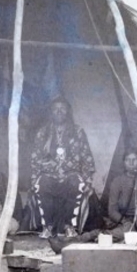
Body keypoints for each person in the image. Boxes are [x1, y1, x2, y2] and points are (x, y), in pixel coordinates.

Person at [29, 97, 96, 238]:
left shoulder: (78, 131)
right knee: (42, 184)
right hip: (49, 173)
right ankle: (47, 226)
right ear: (51, 112)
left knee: (75, 183)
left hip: (71, 172)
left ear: (68, 112)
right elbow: (35, 158)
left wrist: (88, 180)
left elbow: (86, 156)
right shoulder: (42, 133)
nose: (59, 112)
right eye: (55, 109)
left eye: (62, 108)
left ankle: (69, 226)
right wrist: (34, 179)